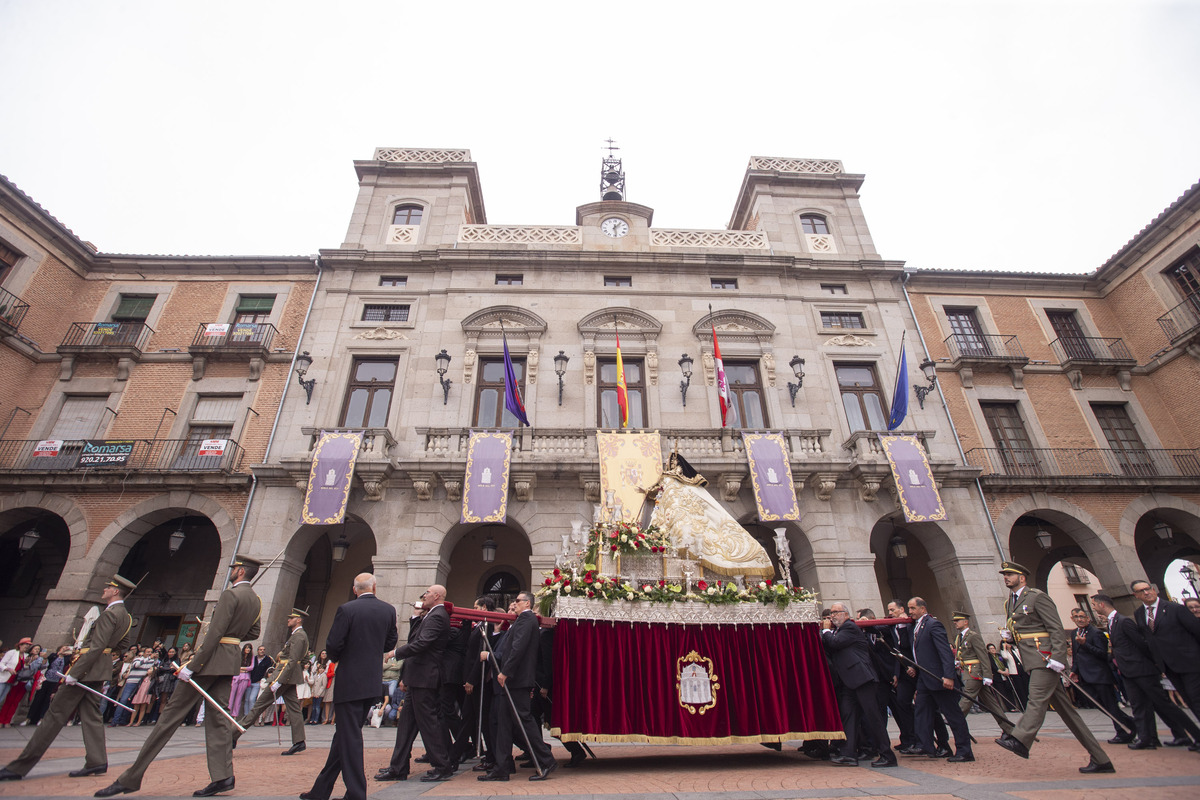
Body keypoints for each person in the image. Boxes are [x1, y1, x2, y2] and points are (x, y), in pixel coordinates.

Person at [95, 554, 263, 798]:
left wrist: (193, 665)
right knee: (218, 720)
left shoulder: (230, 595)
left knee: (169, 718)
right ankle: (223, 775)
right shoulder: (255, 600)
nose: (231, 572)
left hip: (209, 661)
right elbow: (254, 631)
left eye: (233, 569)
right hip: (229, 661)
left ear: (240, 572)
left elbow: (214, 635)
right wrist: (232, 637)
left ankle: (131, 777)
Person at [0, 575, 135, 782]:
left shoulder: (110, 614)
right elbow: (122, 644)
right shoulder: (126, 616)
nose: (105, 589)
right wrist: (102, 660)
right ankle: (96, 760)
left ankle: (20, 766)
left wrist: (75, 672)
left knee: (54, 715)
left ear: (116, 591)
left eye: (109, 587)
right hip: (98, 670)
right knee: (91, 717)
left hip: (85, 671)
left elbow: (97, 646)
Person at [995, 561, 1113, 773]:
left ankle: (1020, 738)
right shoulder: (1010, 603)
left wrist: (1058, 657)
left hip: (1045, 657)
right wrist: (1010, 637)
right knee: (1070, 715)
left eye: (1010, 574)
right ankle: (1101, 758)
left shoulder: (1036, 597)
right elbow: (1024, 631)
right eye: (1005, 574)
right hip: (1031, 659)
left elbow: (1055, 627)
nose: (1006, 577)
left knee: (1036, 698)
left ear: (1022, 577)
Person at [301, 573, 398, 800]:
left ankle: (356, 793)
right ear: (374, 587)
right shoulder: (388, 610)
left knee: (350, 736)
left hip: (349, 681)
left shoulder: (347, 609)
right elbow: (390, 642)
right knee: (344, 735)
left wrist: (340, 656)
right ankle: (320, 791)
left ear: (355, 590)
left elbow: (333, 645)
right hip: (372, 681)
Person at [1090, 592, 1200, 750]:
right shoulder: (1112, 622)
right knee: (1139, 706)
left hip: (1141, 670)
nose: (1093, 608)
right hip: (1128, 671)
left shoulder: (1124, 621)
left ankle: (1192, 734)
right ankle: (1148, 738)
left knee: (1165, 705)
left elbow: (1141, 644)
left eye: (1093, 605)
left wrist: (1155, 665)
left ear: (1101, 605)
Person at [378, 585, 455, 782]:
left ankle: (442, 765)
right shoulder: (429, 616)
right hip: (417, 677)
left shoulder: (438, 616)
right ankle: (398, 767)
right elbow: (416, 638)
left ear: (437, 596)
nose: (423, 596)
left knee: (429, 723)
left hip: (426, 677)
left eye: (427, 593)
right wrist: (415, 617)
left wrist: (395, 653)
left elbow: (422, 643)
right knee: (406, 725)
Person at [479, 591, 557, 782]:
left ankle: (546, 760)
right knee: (504, 724)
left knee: (524, 720)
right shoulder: (522, 620)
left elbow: (517, 648)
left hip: (518, 680)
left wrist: (506, 671)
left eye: (518, 601)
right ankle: (502, 767)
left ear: (528, 603)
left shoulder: (526, 619)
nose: (514, 604)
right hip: (514, 680)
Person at [819, 603, 896, 767]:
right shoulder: (840, 630)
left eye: (835, 613)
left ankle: (887, 754)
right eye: (831, 613)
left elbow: (834, 643)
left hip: (862, 679)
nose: (832, 616)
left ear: (845, 614)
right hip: (849, 681)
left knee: (872, 716)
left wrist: (825, 630)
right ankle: (848, 753)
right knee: (848, 715)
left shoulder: (850, 627)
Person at [235, 608, 310, 756]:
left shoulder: (299, 636)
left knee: (259, 705)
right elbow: (304, 659)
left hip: (283, 676)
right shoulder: (298, 636)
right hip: (288, 675)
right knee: (294, 709)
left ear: (299, 620)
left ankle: (234, 734)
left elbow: (292, 660)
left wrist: (279, 680)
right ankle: (299, 741)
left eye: (291, 618)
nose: (288, 620)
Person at [906, 597, 973, 762]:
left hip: (939, 678)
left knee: (953, 715)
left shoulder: (933, 624)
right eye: (909, 608)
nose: (910, 612)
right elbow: (919, 652)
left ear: (923, 608)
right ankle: (925, 745)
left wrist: (948, 676)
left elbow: (944, 652)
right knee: (921, 711)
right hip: (924, 678)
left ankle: (964, 751)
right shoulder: (916, 626)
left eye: (913, 608)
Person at [1132, 579, 1200, 734]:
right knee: (1189, 701)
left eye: (1148, 588)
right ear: (1136, 595)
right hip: (1169, 667)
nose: (1147, 592)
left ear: (1154, 589)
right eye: (1141, 591)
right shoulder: (1139, 614)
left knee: (1197, 699)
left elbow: (1196, 631)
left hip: (1190, 662)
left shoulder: (1174, 608)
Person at [1068, 607, 1135, 743]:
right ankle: (1129, 722)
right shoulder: (1075, 633)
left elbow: (1103, 654)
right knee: (1099, 705)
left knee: (1110, 705)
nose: (1079, 619)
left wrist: (1085, 644)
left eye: (1082, 616)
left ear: (1088, 618)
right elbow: (1076, 655)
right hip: (1085, 676)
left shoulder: (1096, 633)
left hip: (1099, 675)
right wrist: (1074, 670)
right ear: (1072, 619)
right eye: (1076, 617)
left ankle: (1123, 732)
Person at [951, 612, 1014, 734]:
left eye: (958, 620)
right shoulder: (960, 637)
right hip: (968, 670)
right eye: (954, 621)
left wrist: (987, 675)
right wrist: (958, 662)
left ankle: (955, 717)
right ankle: (1008, 728)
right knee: (991, 704)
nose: (955, 623)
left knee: (968, 695)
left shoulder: (973, 636)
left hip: (975, 672)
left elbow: (983, 656)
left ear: (965, 622)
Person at [884, 599, 927, 754]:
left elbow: (917, 648)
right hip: (902, 671)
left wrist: (914, 667)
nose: (890, 613)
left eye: (892, 610)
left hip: (916, 670)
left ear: (900, 609)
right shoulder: (893, 625)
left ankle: (930, 742)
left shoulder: (911, 624)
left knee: (926, 707)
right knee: (902, 703)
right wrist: (897, 673)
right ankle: (910, 739)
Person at [27, 645, 70, 726]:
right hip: (46, 679)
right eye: (63, 648)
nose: (64, 649)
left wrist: (70, 651)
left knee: (48, 699)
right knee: (38, 698)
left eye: (66, 649)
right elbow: (47, 662)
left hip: (56, 681)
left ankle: (42, 718)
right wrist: (58, 654)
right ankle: (30, 717)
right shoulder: (53, 655)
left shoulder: (67, 658)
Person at [0, 638, 33, 726]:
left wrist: (26, 664)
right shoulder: (12, 652)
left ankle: (5, 721)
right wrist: (7, 669)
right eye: (25, 645)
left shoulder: (26, 656)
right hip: (4, 678)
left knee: (2, 698)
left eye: (28, 646)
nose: (26, 647)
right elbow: (2, 663)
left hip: (13, 681)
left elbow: (24, 670)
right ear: (20, 645)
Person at [244, 646, 274, 725]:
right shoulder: (253, 658)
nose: (262, 651)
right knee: (246, 699)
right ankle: (246, 716)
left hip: (258, 682)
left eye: (263, 650)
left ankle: (251, 718)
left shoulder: (267, 660)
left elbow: (269, 670)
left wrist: (263, 679)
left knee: (252, 699)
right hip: (250, 681)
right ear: (257, 651)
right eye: (260, 650)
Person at [229, 645, 253, 717]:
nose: (247, 649)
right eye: (246, 648)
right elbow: (234, 665)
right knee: (231, 695)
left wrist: (242, 668)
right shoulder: (239, 656)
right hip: (236, 676)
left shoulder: (251, 657)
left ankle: (235, 715)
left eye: (249, 648)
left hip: (245, 677)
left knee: (239, 697)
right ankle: (228, 712)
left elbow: (251, 667)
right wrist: (244, 669)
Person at [307, 651, 328, 724]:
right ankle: (311, 719)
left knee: (317, 707)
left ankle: (316, 719)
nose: (321, 670)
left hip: (319, 694)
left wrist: (318, 694)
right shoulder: (316, 675)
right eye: (320, 668)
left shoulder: (324, 676)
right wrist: (313, 692)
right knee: (313, 707)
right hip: (315, 692)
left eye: (322, 669)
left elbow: (323, 686)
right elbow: (314, 684)